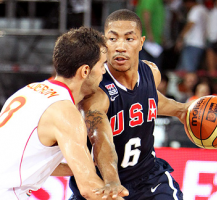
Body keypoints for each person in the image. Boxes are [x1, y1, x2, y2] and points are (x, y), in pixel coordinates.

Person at [69, 9, 189, 200]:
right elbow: (100, 138)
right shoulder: (95, 91)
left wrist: (182, 111)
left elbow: (151, 100)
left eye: (129, 39)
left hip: (149, 179)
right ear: (103, 42)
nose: (120, 47)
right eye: (113, 39)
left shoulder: (151, 73)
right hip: (102, 185)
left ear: (141, 42)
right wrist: (112, 181)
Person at [0, 27, 126, 199]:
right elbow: (90, 189)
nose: (104, 71)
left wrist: (83, 165)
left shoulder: (28, 91)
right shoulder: (64, 112)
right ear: (85, 71)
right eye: (102, 64)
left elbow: (26, 159)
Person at [175, 0, 208, 73]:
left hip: (192, 43)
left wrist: (180, 37)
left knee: (187, 70)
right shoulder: (204, 10)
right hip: (201, 43)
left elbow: (190, 24)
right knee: (184, 68)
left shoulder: (195, 10)